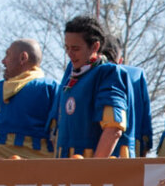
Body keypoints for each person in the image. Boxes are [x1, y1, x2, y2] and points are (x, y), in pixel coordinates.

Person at [51, 16, 134, 158]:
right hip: (66, 170)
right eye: (67, 48)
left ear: (95, 46)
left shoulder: (108, 73)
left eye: (76, 49)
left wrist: (93, 171)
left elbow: (114, 129)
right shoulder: (70, 76)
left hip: (96, 172)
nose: (70, 54)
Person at [0, 39, 59, 159]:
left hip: (36, 174)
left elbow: (60, 135)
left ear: (23, 58)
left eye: (8, 55)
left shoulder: (49, 88)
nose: (3, 61)